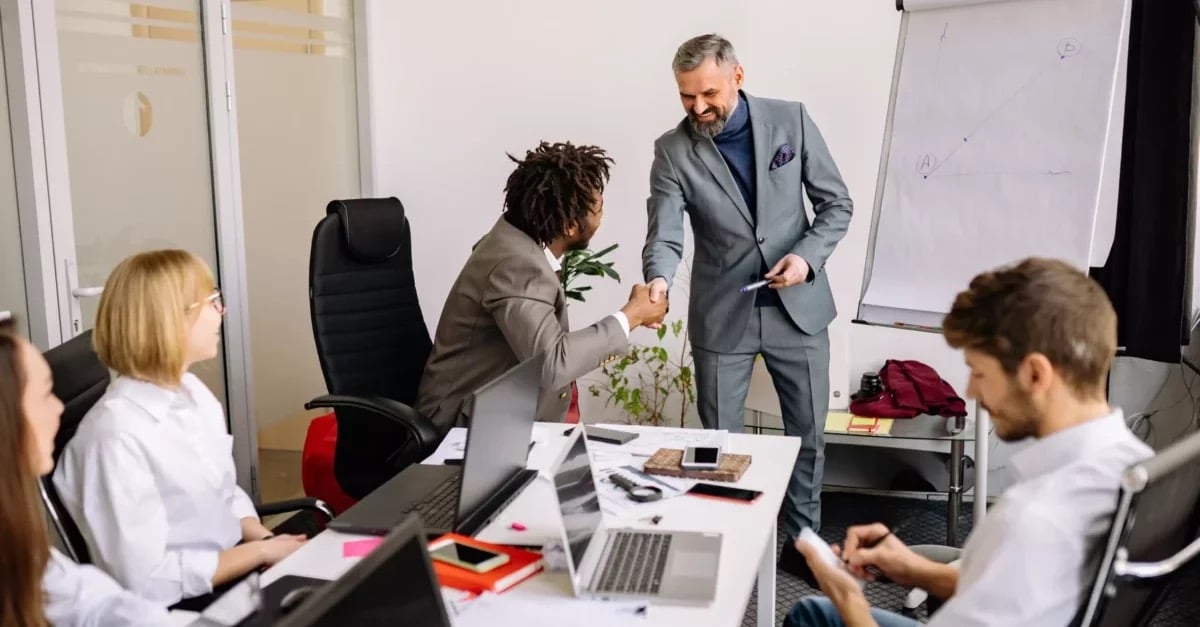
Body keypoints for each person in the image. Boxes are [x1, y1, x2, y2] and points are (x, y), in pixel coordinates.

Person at [787, 257, 1154, 627]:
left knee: (814, 615)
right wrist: (913, 569)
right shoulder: (1136, 464)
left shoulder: (1031, 518)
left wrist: (849, 599)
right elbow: (1026, 590)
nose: (971, 390)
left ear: (1035, 373)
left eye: (980, 373)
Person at [641, 33, 854, 565]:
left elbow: (836, 205)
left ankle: (802, 545)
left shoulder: (792, 121)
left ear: (737, 75)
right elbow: (665, 234)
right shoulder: (672, 151)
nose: (699, 108)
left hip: (798, 308)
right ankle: (727, 546)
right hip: (723, 316)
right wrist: (659, 280)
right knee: (719, 445)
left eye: (708, 93)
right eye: (687, 97)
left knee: (806, 436)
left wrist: (805, 259)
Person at [53, 250, 307, 609]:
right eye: (212, 301)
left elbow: (223, 494)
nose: (223, 311)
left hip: (233, 569)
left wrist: (271, 542)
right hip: (182, 605)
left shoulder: (190, 393)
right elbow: (149, 582)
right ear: (170, 321)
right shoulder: (114, 438)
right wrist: (260, 552)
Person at [417, 141, 667, 429]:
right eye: (598, 209)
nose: (602, 215)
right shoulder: (516, 264)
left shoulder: (516, 239)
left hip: (501, 418)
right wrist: (632, 315)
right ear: (570, 227)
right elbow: (553, 364)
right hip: (461, 431)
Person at [0, 317, 171, 626]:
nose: (58, 408)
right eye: (44, 395)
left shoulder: (13, 533)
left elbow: (88, 599)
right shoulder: (113, 434)